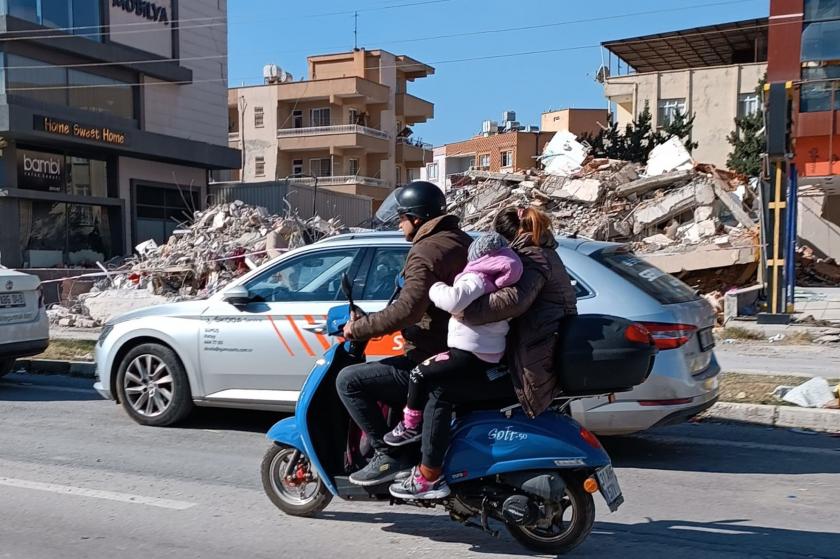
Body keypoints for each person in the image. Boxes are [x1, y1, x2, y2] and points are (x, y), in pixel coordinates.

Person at [388, 206, 578, 500]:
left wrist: (457, 304)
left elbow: (506, 305)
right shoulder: (544, 254)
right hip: (533, 355)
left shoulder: (531, 261)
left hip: (529, 364)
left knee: (441, 391)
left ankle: (429, 476)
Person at [337, 180, 472, 486]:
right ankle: (406, 448)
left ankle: (388, 456)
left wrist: (357, 328)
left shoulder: (426, 251)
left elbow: (408, 310)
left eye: (401, 219)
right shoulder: (458, 240)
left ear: (416, 218)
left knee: (349, 381)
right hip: (457, 350)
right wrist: (373, 319)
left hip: (432, 355)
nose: (399, 226)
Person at [382, 232, 523, 452]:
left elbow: (453, 301)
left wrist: (434, 287)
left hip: (469, 351)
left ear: (477, 257)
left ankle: (411, 426)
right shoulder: (498, 279)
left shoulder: (477, 277)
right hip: (486, 351)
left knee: (419, 374)